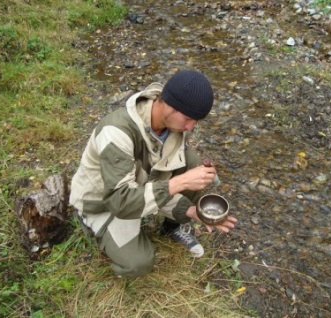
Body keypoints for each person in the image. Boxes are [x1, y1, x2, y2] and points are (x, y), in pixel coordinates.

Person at [69, 69, 237, 277]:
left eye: (196, 121)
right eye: (188, 119)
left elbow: (155, 179)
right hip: (104, 204)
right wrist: (180, 183)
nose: (191, 127)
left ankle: (171, 227)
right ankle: (91, 225)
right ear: (167, 105)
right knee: (138, 264)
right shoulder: (116, 133)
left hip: (137, 189)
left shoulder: (171, 126)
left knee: (194, 166)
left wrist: (190, 211)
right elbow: (119, 202)